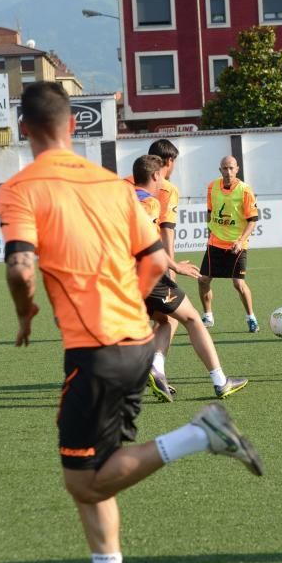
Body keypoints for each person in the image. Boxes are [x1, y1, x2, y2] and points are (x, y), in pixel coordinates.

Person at [0, 82, 263, 563]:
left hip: (95, 348)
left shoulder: (21, 188)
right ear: (74, 126)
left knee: (82, 482)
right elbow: (156, 260)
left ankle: (197, 436)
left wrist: (24, 311)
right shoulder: (111, 186)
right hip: (135, 342)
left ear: (23, 130)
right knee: (100, 468)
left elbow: (19, 269)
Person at [131, 155, 248, 402]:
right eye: (160, 176)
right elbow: (148, 244)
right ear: (155, 176)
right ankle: (220, 381)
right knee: (193, 319)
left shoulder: (121, 198)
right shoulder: (149, 204)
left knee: (167, 320)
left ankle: (156, 369)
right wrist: (175, 265)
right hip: (147, 276)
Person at [124, 139, 183, 397]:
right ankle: (155, 369)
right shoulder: (165, 190)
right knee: (176, 319)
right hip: (147, 267)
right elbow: (164, 232)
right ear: (166, 164)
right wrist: (171, 267)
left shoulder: (124, 183)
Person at [198, 156, 261, 333]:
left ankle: (251, 317)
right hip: (215, 242)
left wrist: (240, 241)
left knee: (238, 284)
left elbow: (252, 220)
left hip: (237, 245)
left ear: (237, 169)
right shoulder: (212, 187)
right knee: (203, 280)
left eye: (231, 168)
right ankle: (208, 316)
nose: (228, 172)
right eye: (224, 169)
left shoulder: (245, 190)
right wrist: (209, 232)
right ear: (220, 170)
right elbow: (209, 212)